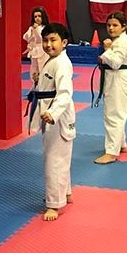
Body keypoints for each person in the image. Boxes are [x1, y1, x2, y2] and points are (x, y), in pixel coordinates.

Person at [27, 23, 75, 222]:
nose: (48, 44)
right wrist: (39, 81)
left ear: (64, 42)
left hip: (57, 116)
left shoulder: (62, 63)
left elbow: (64, 93)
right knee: (60, 156)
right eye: (45, 40)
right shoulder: (54, 60)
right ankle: (66, 193)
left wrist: (53, 113)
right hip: (52, 113)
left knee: (54, 160)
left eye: (53, 40)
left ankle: (54, 204)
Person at [94, 11, 127, 165]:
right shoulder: (118, 40)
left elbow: (116, 63)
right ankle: (121, 144)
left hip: (118, 80)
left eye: (115, 25)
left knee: (113, 115)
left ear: (123, 27)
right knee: (117, 113)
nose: (111, 28)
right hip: (115, 79)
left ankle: (111, 152)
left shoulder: (122, 42)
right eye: (109, 25)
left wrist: (107, 49)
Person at [23, 7, 49, 88]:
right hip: (34, 51)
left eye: (39, 16)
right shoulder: (31, 27)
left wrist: (35, 30)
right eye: (35, 16)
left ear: (43, 17)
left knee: (43, 68)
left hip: (43, 50)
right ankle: (35, 85)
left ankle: (44, 86)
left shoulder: (45, 28)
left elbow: (39, 39)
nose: (37, 18)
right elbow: (25, 37)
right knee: (33, 69)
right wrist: (32, 30)